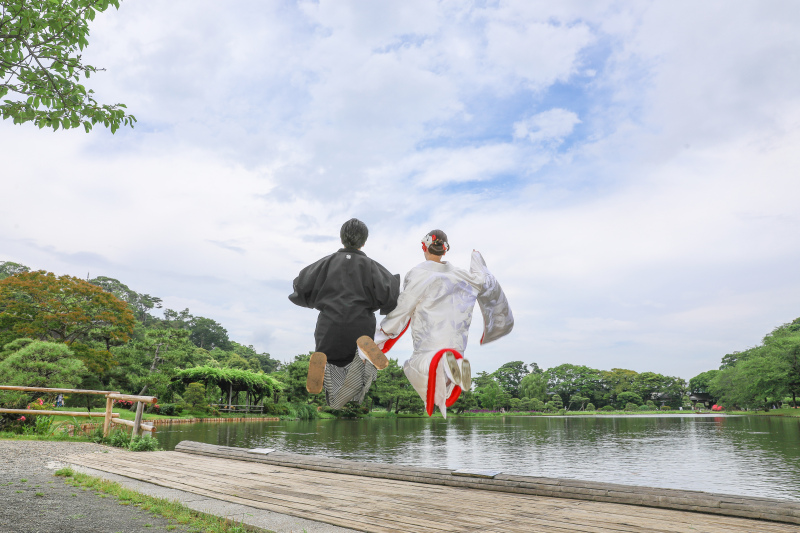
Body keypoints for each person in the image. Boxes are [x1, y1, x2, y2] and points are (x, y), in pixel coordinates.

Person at [375, 230, 513, 418]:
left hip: (429, 344)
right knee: (443, 386)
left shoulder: (419, 273)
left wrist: (383, 331)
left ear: (424, 246)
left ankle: (444, 365)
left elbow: (404, 307)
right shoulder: (463, 276)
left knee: (412, 366)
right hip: (457, 344)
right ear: (445, 250)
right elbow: (484, 279)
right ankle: (450, 366)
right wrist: (477, 259)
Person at [289, 218, 400, 409]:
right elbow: (391, 296)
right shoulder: (373, 267)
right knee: (362, 364)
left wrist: (319, 299)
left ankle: (324, 360)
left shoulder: (325, 264)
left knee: (329, 361)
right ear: (364, 241)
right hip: (361, 328)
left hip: (328, 327)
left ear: (342, 239)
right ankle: (363, 363)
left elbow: (300, 286)